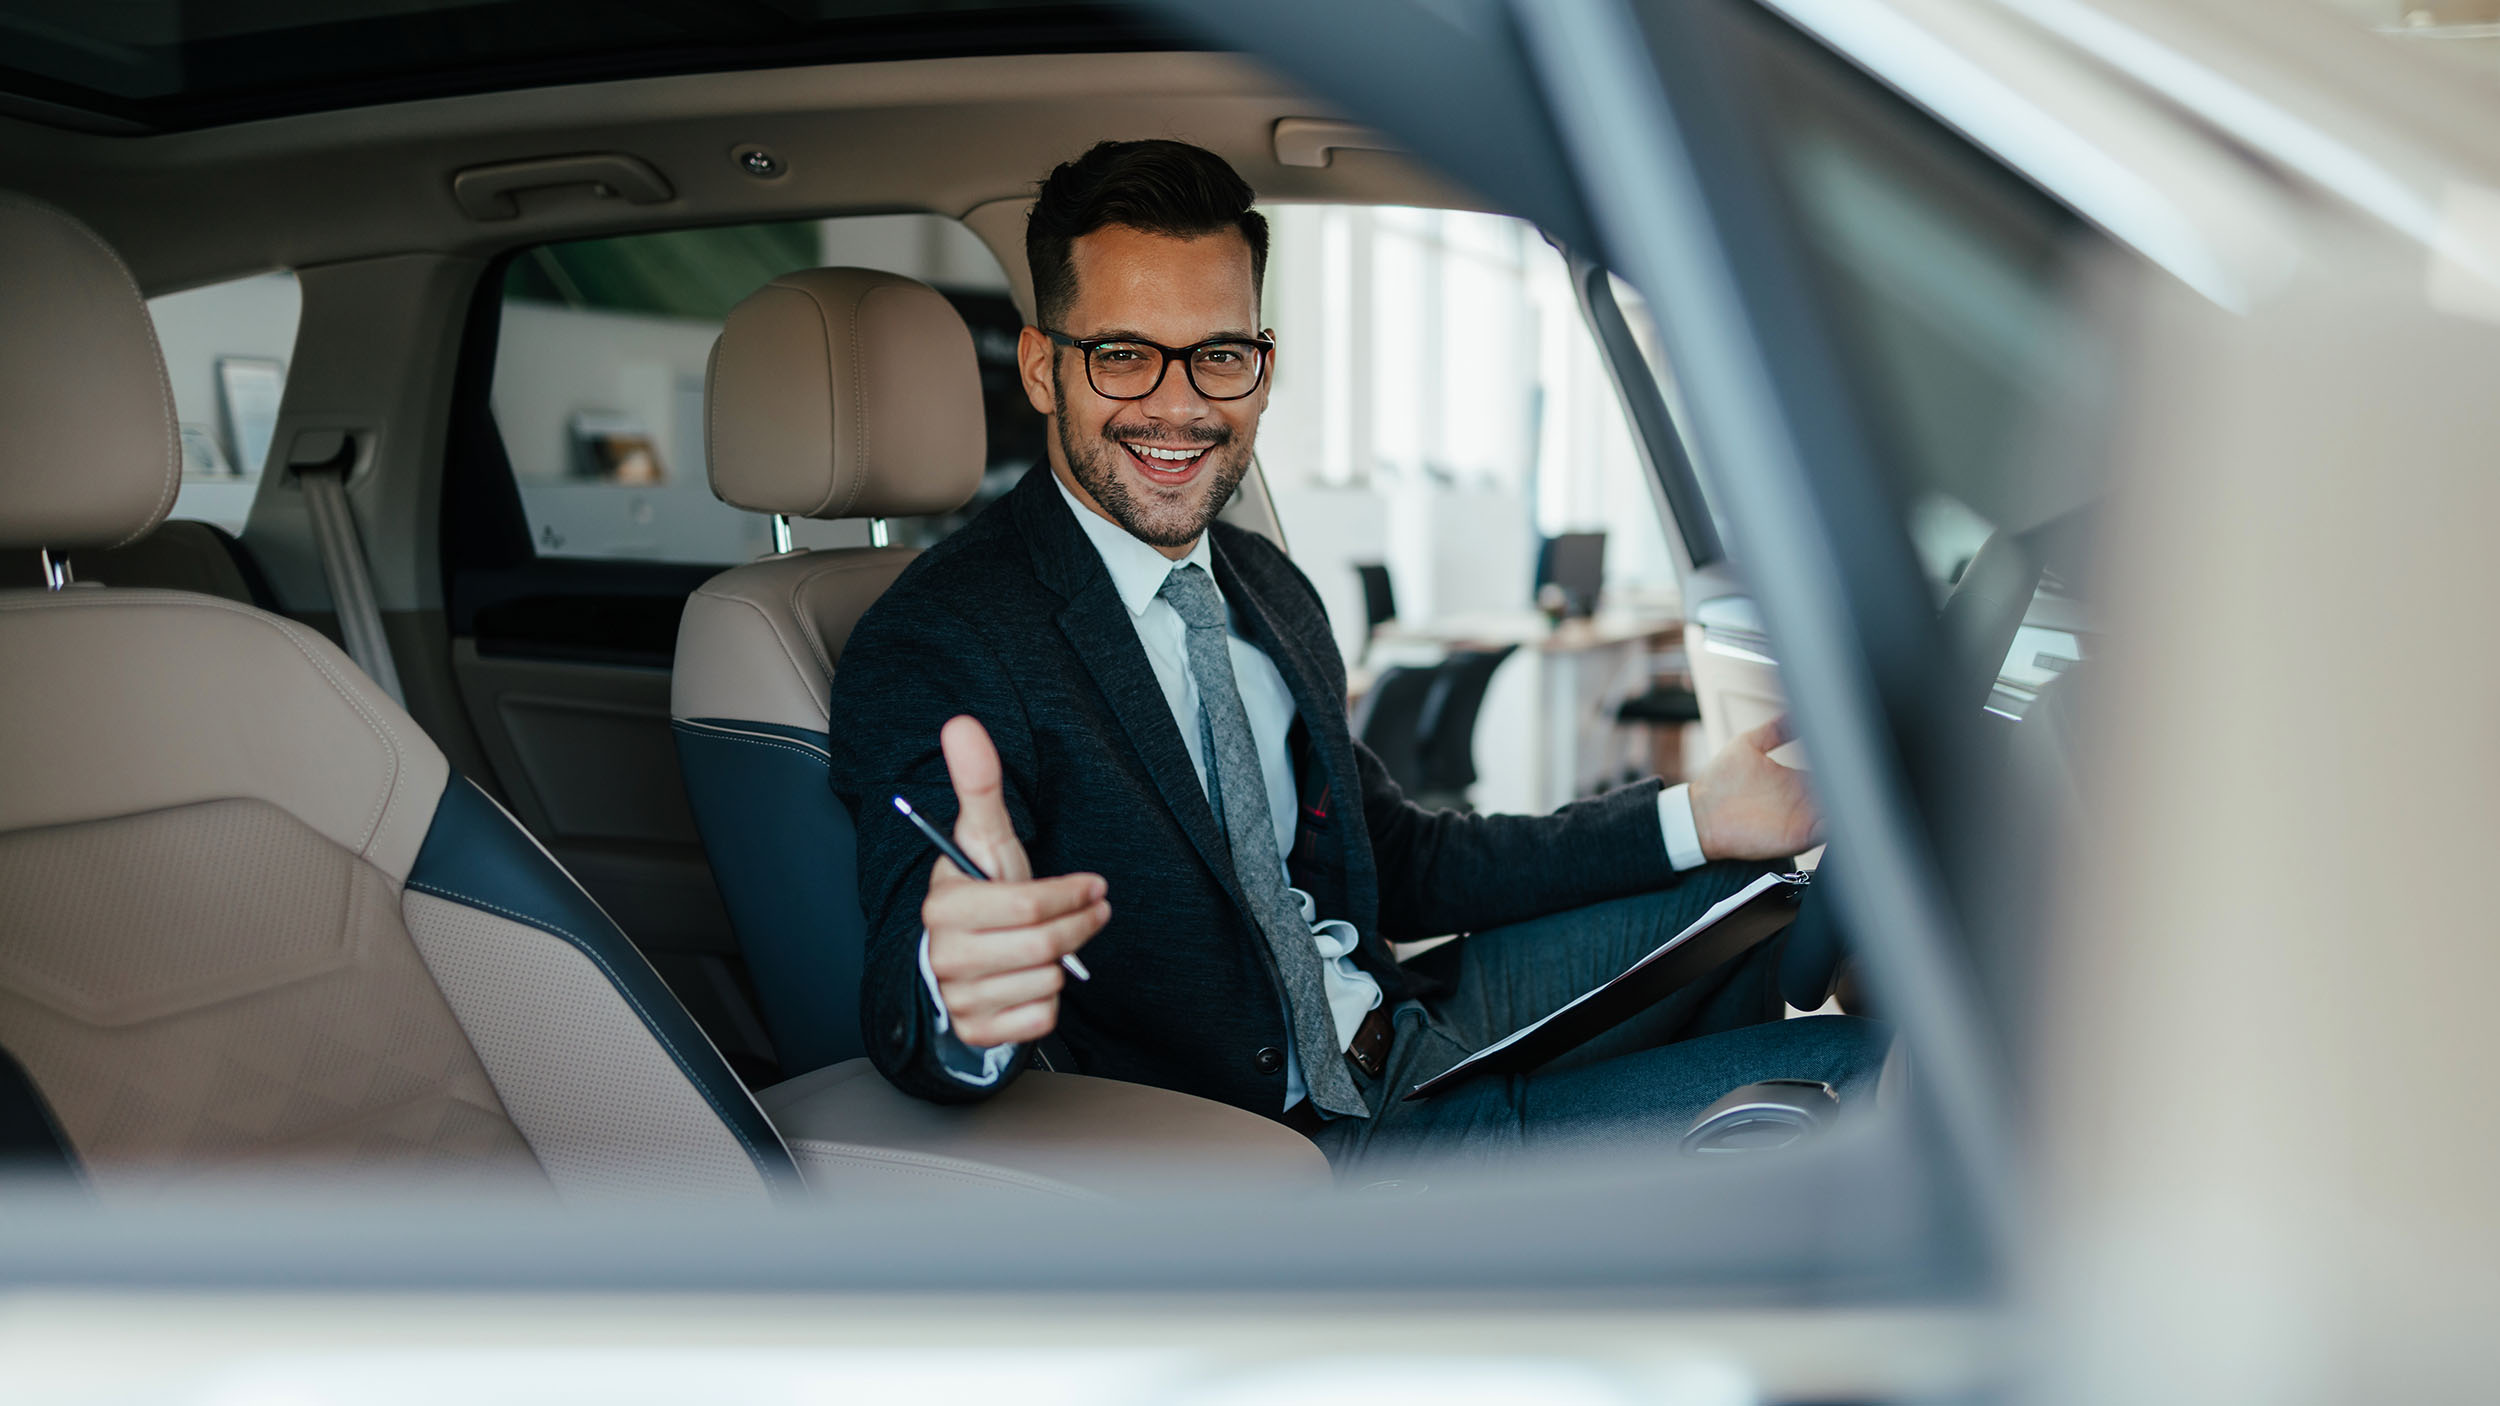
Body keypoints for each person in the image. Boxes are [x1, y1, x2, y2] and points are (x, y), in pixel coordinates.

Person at [825, 139, 1886, 1173]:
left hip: (1401, 1023)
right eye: (1123, 353)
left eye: (1220, 355)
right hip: (1299, 1141)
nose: (1180, 402)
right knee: (1856, 1080)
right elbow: (918, 969)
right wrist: (955, 987)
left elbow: (1403, 861)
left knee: (1761, 885)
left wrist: (1696, 814)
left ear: (1263, 367)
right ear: (1044, 369)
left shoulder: (1262, 582)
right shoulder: (944, 634)